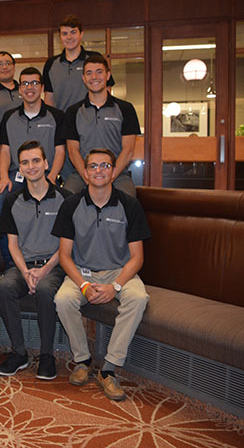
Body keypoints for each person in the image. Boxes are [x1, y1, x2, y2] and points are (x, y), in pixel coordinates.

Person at [52, 148, 150, 401]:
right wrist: (84, 285)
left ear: (113, 171)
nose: (99, 170)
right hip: (82, 272)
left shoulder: (129, 205)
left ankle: (108, 369)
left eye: (105, 166)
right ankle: (82, 359)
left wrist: (115, 286)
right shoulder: (71, 204)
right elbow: (64, 255)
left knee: (138, 298)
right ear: (85, 173)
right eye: (93, 166)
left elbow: (137, 257)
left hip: (119, 272)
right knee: (63, 299)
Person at [0, 140, 70, 379]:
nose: (31, 166)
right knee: (4, 286)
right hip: (23, 265)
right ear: (19, 168)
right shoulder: (12, 201)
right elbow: (12, 245)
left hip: (55, 265)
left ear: (46, 163)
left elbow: (66, 246)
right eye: (25, 162)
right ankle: (19, 352)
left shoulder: (65, 199)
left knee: (47, 290)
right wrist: (26, 272)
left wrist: (45, 270)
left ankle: (47, 355)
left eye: (36, 160)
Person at [61, 55, 139, 196]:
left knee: (128, 199)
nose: (94, 77)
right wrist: (88, 177)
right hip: (82, 174)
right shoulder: (73, 112)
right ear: (83, 78)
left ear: (108, 75)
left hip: (117, 174)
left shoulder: (125, 109)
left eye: (99, 72)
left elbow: (128, 151)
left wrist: (111, 176)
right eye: (89, 73)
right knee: (67, 195)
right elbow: (73, 152)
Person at [0, 66, 65, 213]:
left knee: (60, 202)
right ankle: (9, 237)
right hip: (17, 175)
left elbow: (60, 151)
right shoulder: (9, 117)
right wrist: (4, 177)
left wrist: (51, 177)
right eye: (25, 83)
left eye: (34, 83)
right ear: (19, 89)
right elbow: (5, 151)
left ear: (42, 87)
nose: (29, 87)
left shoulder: (56, 116)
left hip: (46, 173)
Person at [42, 14, 113, 112]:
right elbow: (49, 99)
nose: (69, 37)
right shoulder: (51, 64)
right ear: (60, 37)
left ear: (81, 34)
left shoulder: (95, 58)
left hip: (90, 121)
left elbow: (107, 90)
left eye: (73, 32)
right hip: (63, 124)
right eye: (64, 33)